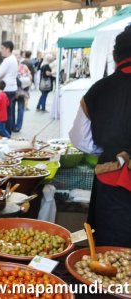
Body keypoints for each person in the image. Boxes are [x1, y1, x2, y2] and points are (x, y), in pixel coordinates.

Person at [69, 25, 131, 248]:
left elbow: (79, 139)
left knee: (111, 249)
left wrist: (108, 149)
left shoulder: (99, 89)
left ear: (115, 56)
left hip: (112, 179)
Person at [0, 41, 18, 135]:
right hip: (11, 88)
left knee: (5, 114)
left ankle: (5, 135)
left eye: (2, 48)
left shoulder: (7, 60)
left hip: (7, 89)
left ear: (8, 49)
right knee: (9, 113)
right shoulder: (13, 58)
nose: (1, 51)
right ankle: (7, 133)